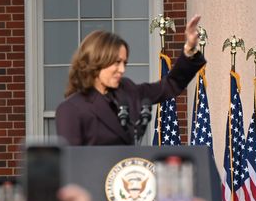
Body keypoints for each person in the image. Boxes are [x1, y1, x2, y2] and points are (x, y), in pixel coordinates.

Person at [55, 15, 205, 145]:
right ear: (96, 61)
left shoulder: (127, 90)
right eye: (116, 62)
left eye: (124, 63)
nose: (122, 69)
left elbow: (169, 85)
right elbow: (70, 166)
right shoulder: (70, 109)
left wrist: (189, 49)